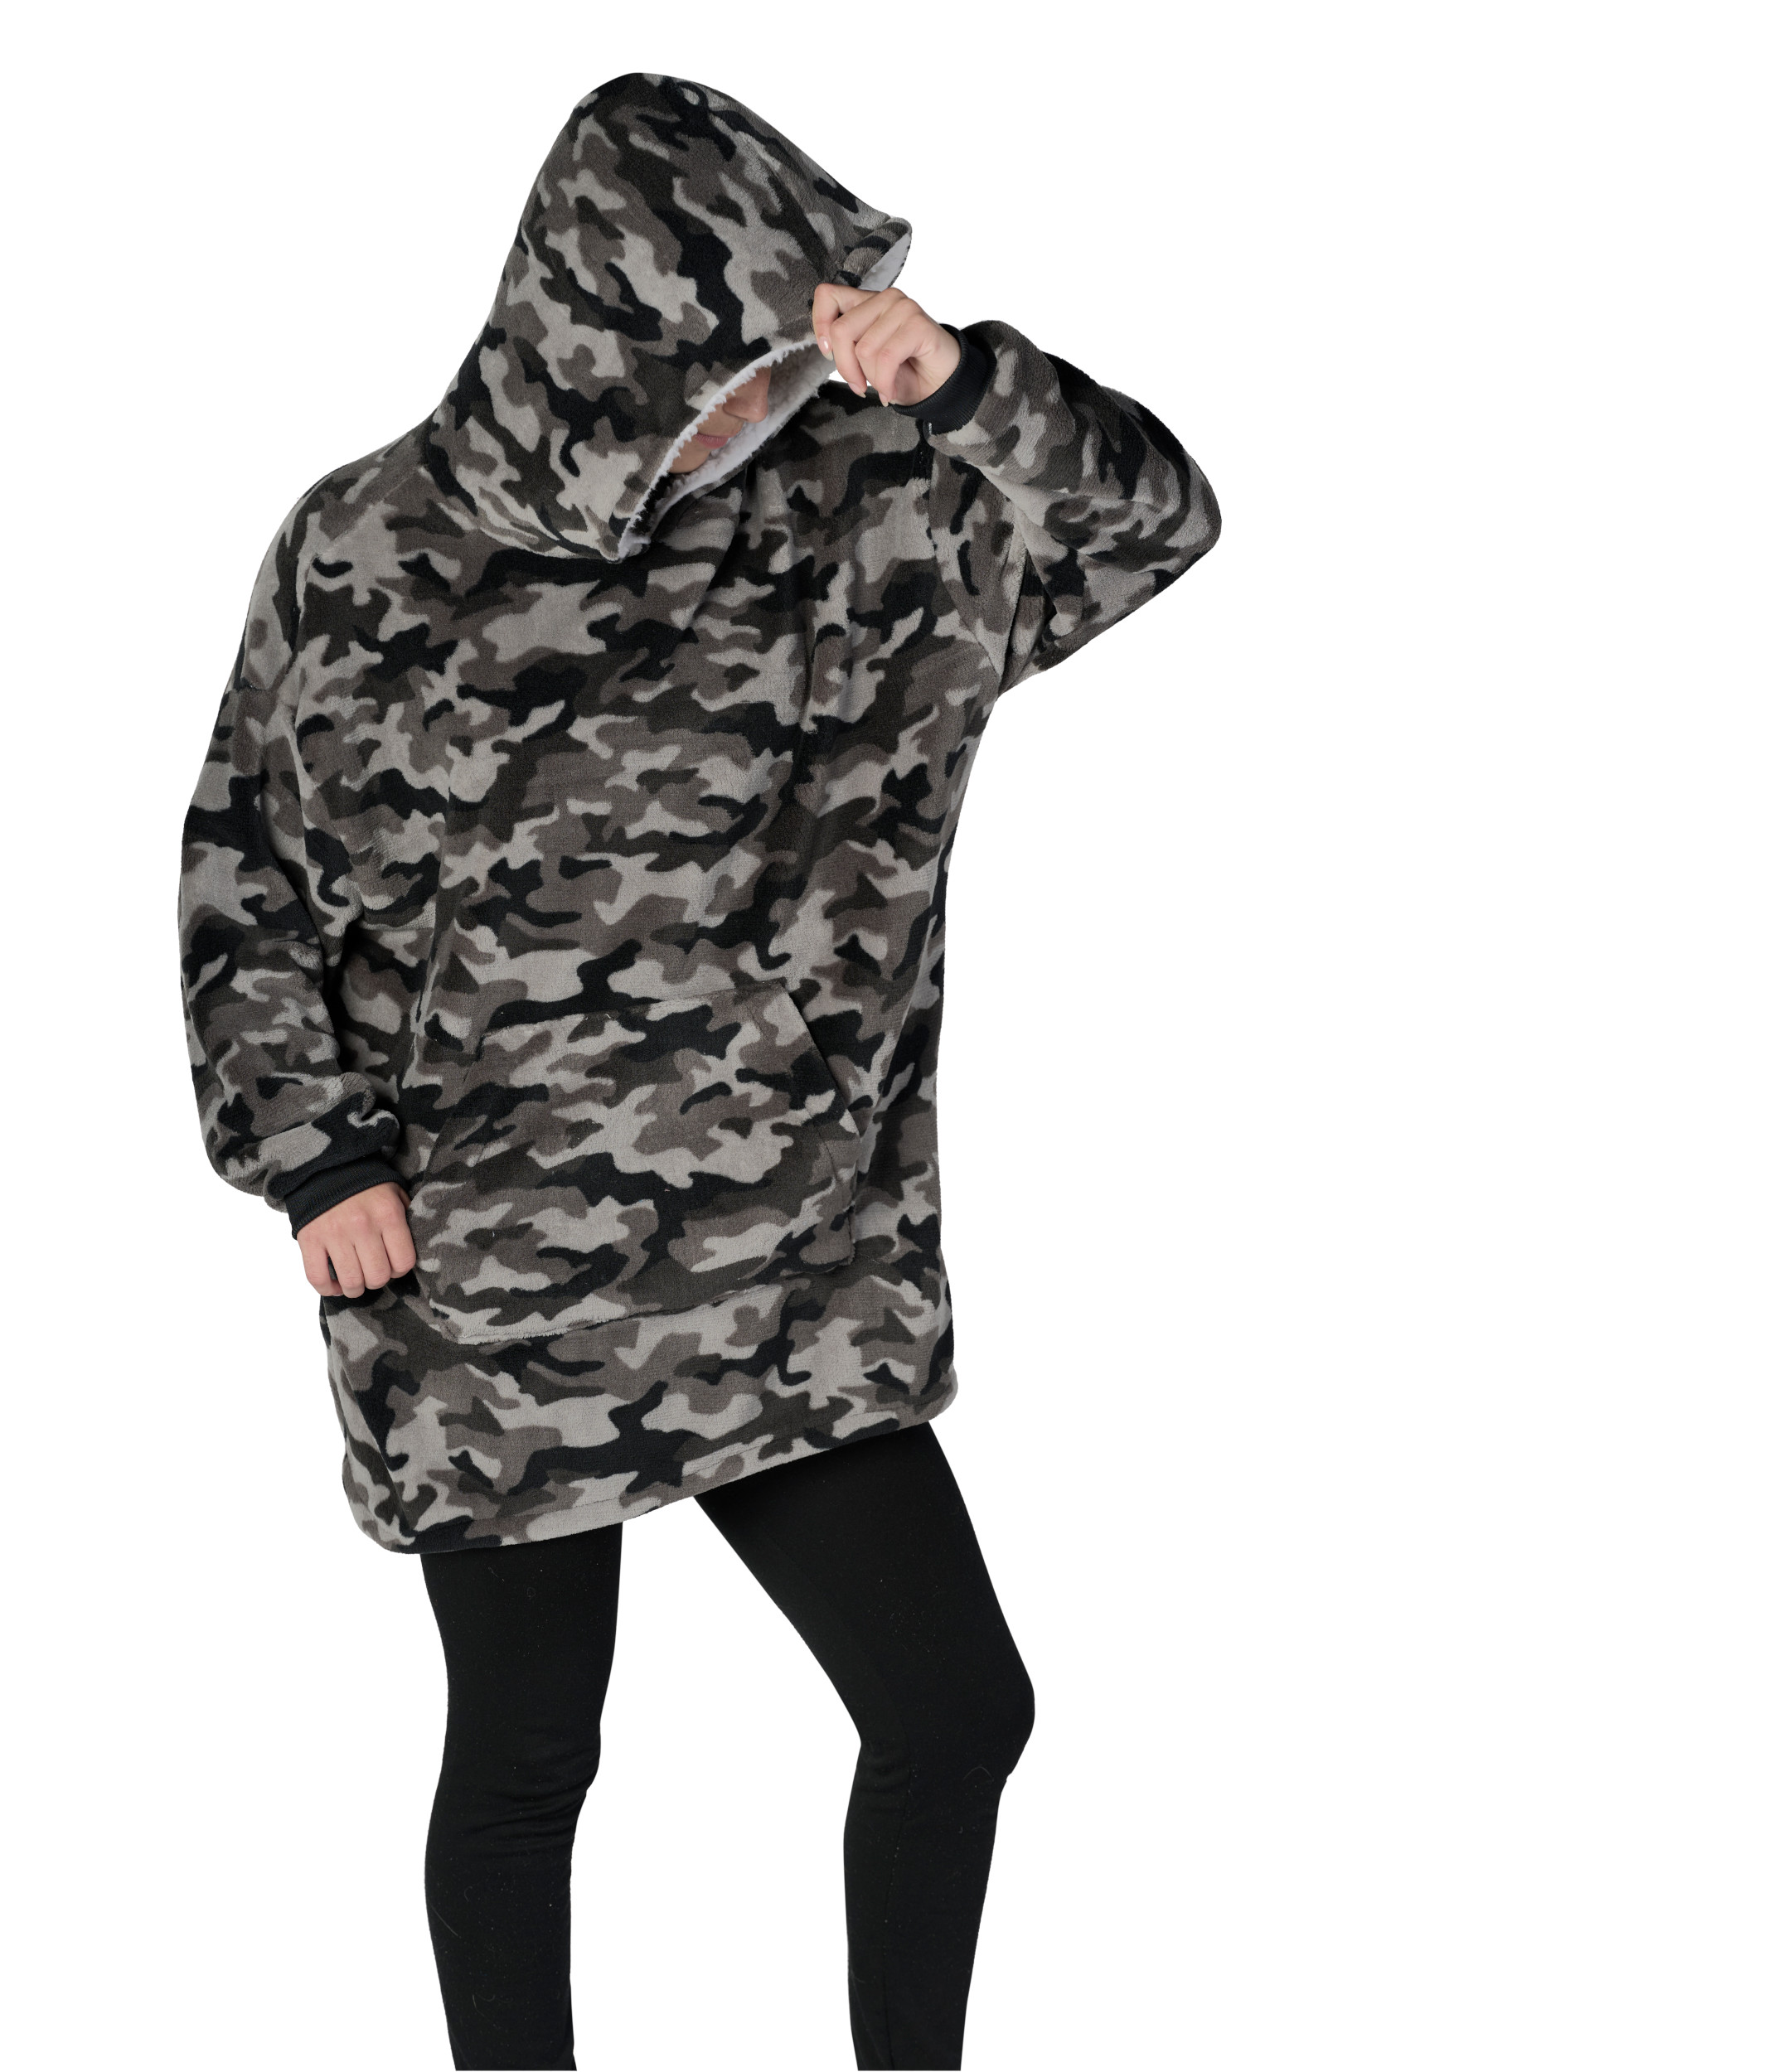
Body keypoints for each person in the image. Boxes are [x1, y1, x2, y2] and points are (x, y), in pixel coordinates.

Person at [177, 72, 1221, 2070]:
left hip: (784, 1262)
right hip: (482, 1280)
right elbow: (247, 867)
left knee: (951, 1706)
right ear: (592, 327)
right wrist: (312, 1153)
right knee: (526, 1752)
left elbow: (1154, 520)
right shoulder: (367, 545)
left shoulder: (881, 509)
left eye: (787, 353)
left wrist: (960, 385)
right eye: (727, 354)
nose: (758, 400)